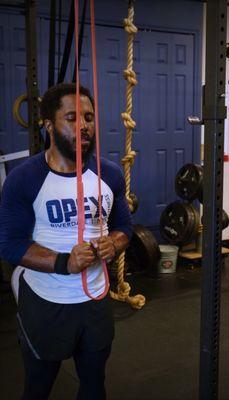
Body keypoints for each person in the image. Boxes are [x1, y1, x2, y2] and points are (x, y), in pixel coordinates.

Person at [0, 83, 132, 399]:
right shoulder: (25, 178)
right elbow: (10, 244)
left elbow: (124, 226)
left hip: (96, 302)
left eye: (88, 117)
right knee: (38, 387)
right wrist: (64, 262)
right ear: (49, 126)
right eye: (72, 117)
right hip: (47, 302)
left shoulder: (110, 174)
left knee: (93, 385)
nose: (84, 125)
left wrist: (113, 244)